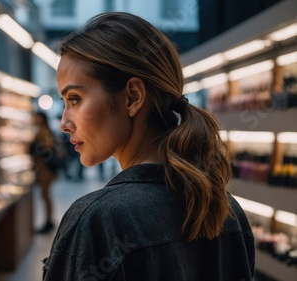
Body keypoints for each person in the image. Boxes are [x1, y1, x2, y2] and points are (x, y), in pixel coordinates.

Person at [42, 12, 254, 280]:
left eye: (74, 99)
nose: (64, 123)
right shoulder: (226, 210)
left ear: (132, 97)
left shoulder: (98, 220)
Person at [31, 111, 58, 234]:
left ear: (41, 118)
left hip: (44, 169)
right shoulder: (44, 131)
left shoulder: (43, 132)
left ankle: (48, 221)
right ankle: (48, 220)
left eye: (36, 117)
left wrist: (36, 150)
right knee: (45, 195)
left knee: (45, 195)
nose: (34, 119)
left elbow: (47, 149)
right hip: (44, 168)